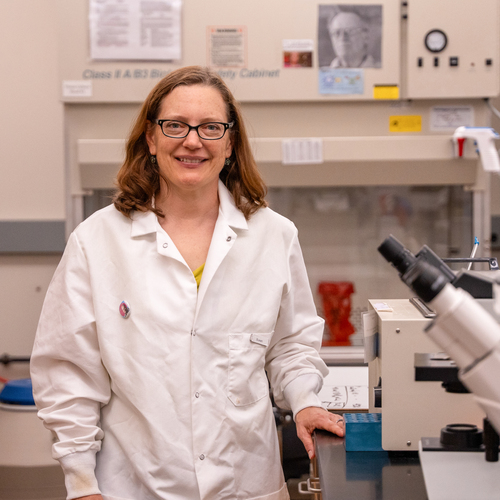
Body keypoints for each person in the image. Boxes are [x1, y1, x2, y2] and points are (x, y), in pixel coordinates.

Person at [30, 66, 345, 500]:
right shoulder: (97, 241)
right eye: (175, 125)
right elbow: (69, 374)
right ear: (151, 138)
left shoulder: (274, 236)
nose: (192, 141)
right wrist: (82, 483)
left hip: (245, 484)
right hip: (132, 486)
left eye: (211, 127)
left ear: (230, 142)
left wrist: (305, 400)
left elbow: (288, 345)